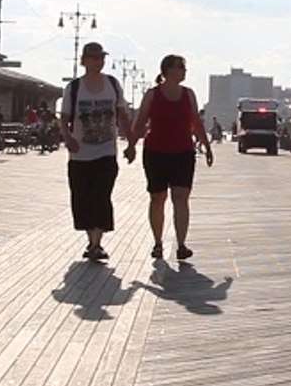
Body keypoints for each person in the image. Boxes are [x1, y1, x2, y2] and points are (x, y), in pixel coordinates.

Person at [61, 42, 137, 262]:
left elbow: (122, 116)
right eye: (93, 58)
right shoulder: (74, 88)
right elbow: (64, 118)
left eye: (101, 57)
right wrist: (67, 138)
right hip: (80, 154)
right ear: (83, 60)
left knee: (101, 196)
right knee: (82, 198)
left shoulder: (112, 84)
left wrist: (131, 144)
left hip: (106, 151)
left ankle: (96, 244)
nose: (98, 61)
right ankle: (91, 240)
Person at [133, 54, 213, 261]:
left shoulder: (188, 94)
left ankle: (181, 245)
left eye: (184, 68)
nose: (184, 71)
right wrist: (131, 145)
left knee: (181, 198)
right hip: (156, 152)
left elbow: (196, 121)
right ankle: (158, 242)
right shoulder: (152, 95)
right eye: (181, 67)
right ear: (168, 70)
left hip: (183, 152)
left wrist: (206, 146)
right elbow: (141, 121)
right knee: (157, 198)